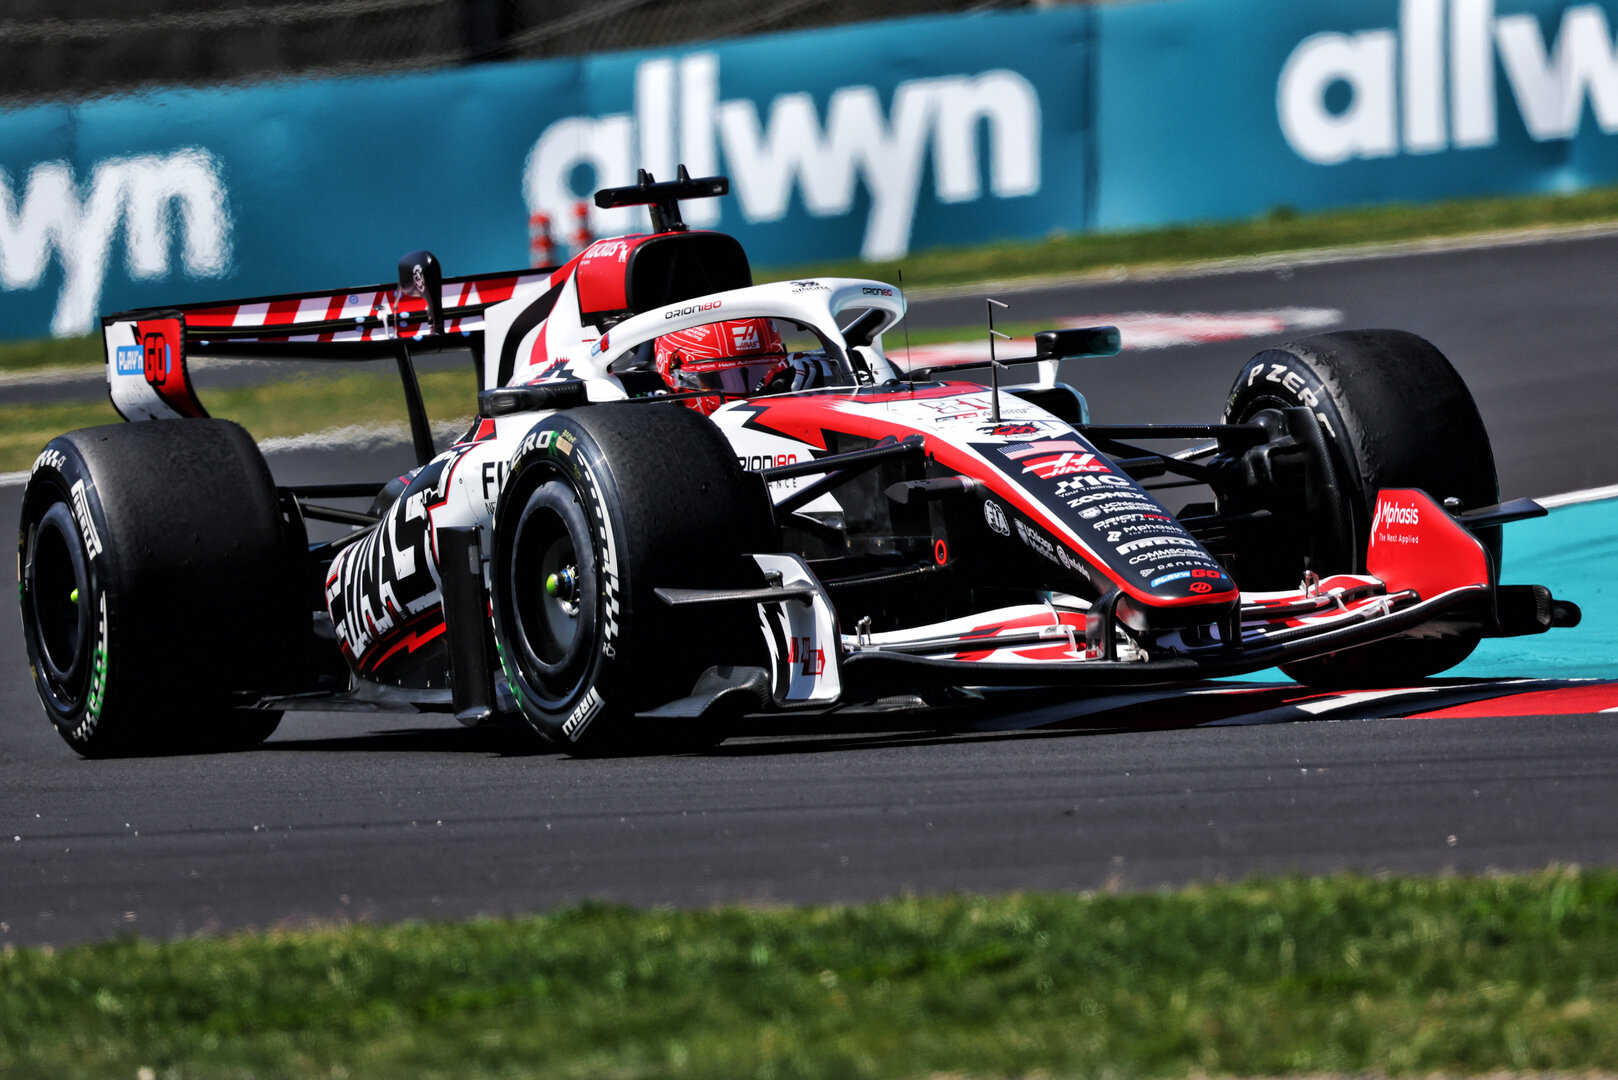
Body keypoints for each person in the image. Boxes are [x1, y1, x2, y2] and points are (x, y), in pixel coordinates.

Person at [655, 317, 837, 414]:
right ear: (676, 378)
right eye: (726, 379)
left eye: (762, 375)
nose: (754, 392)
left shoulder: (792, 377)